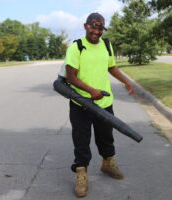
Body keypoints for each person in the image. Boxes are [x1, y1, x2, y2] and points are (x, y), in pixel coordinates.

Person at [64, 12, 134, 197]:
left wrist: (126, 81)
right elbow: (70, 77)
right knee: (81, 139)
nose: (97, 31)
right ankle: (81, 174)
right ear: (85, 26)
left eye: (100, 27)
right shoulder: (76, 47)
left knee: (105, 137)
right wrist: (90, 91)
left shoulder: (107, 45)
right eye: (93, 26)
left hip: (104, 102)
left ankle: (107, 164)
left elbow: (111, 66)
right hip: (81, 103)